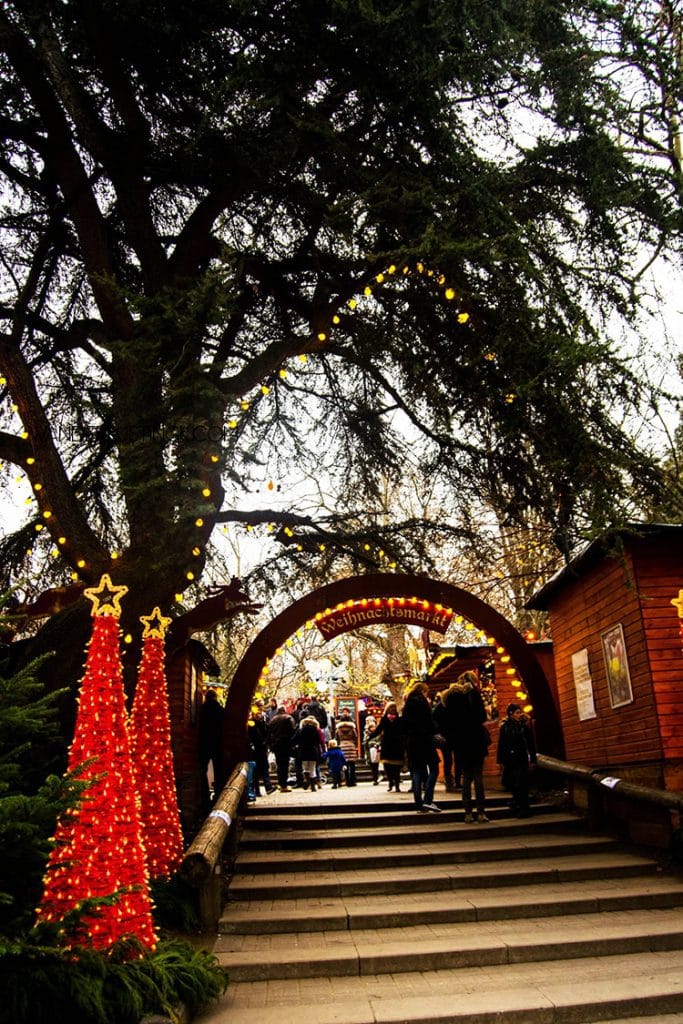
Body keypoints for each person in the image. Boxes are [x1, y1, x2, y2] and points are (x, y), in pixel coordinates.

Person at [442, 670, 490, 823]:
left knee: (466, 777)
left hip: (461, 743)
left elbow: (448, 721)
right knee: (478, 776)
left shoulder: (451, 698)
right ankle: (481, 812)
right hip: (476, 739)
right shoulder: (474, 694)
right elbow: (482, 716)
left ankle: (468, 813)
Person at [400, 681, 441, 812]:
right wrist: (436, 732)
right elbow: (429, 721)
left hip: (412, 743)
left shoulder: (407, 705)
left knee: (417, 771)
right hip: (425, 741)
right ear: (423, 691)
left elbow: (405, 725)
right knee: (434, 768)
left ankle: (419, 804)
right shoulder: (423, 703)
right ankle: (428, 799)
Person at [497, 703, 537, 817]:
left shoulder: (524, 727)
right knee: (513, 783)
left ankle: (524, 807)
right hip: (510, 759)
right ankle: (517, 803)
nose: (519, 715)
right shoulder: (505, 727)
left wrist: (533, 758)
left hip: (521, 758)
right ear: (511, 714)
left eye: (520, 712)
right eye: (517, 713)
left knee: (521, 783)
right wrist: (501, 759)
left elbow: (530, 743)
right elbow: (502, 744)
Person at [198, 688, 225, 810]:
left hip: (204, 742)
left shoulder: (202, 710)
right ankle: (219, 795)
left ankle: (204, 797)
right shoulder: (220, 710)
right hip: (218, 742)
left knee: (202, 770)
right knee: (219, 770)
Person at [368, 701, 404, 791]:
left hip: (388, 745)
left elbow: (378, 730)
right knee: (396, 767)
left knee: (388, 766)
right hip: (397, 745)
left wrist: (369, 737)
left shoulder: (385, 719)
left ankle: (392, 783)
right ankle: (396, 785)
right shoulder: (399, 719)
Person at [267, 705, 297, 792]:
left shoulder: (273, 720)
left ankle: (281, 783)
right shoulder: (288, 718)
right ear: (284, 710)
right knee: (285, 764)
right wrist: (293, 744)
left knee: (279, 764)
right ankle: (284, 785)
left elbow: (269, 732)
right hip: (285, 744)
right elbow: (293, 730)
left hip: (276, 745)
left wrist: (270, 744)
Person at [248, 707, 275, 796]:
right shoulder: (252, 725)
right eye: (258, 714)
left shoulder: (260, 723)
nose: (259, 715)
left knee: (261, 769)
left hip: (260, 749)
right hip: (257, 750)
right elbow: (258, 736)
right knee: (260, 770)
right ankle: (264, 788)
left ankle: (264, 788)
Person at [296, 714, 324, 791]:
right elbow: (319, 741)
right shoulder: (315, 730)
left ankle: (305, 779)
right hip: (313, 751)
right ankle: (313, 786)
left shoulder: (301, 730)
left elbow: (295, 739)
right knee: (313, 769)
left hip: (303, 751)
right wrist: (322, 750)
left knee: (305, 767)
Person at [334, 707, 359, 786]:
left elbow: (336, 738)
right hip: (351, 746)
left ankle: (347, 781)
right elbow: (356, 736)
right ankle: (353, 781)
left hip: (342, 747)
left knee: (345, 765)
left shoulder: (338, 729)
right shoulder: (352, 728)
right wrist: (355, 744)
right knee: (352, 766)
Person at [363, 714, 381, 784]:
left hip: (377, 750)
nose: (373, 728)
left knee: (376, 765)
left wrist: (376, 744)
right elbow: (365, 743)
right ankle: (375, 778)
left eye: (374, 727)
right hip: (370, 751)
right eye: (371, 727)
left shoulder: (378, 734)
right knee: (373, 766)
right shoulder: (366, 734)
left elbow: (380, 740)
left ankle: (377, 778)